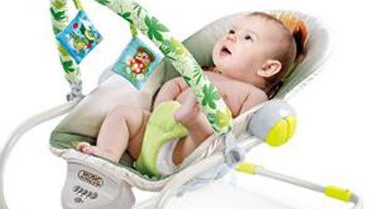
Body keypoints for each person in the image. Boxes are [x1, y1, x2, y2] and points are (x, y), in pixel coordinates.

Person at [77, 12, 306, 175]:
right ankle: (108, 153)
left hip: (186, 153)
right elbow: (174, 85)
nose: (231, 37)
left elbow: (236, 134)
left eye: (247, 38)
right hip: (148, 138)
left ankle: (192, 118)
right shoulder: (203, 72)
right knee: (123, 113)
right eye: (232, 31)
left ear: (267, 68)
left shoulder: (253, 95)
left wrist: (196, 121)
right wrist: (161, 109)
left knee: (209, 130)